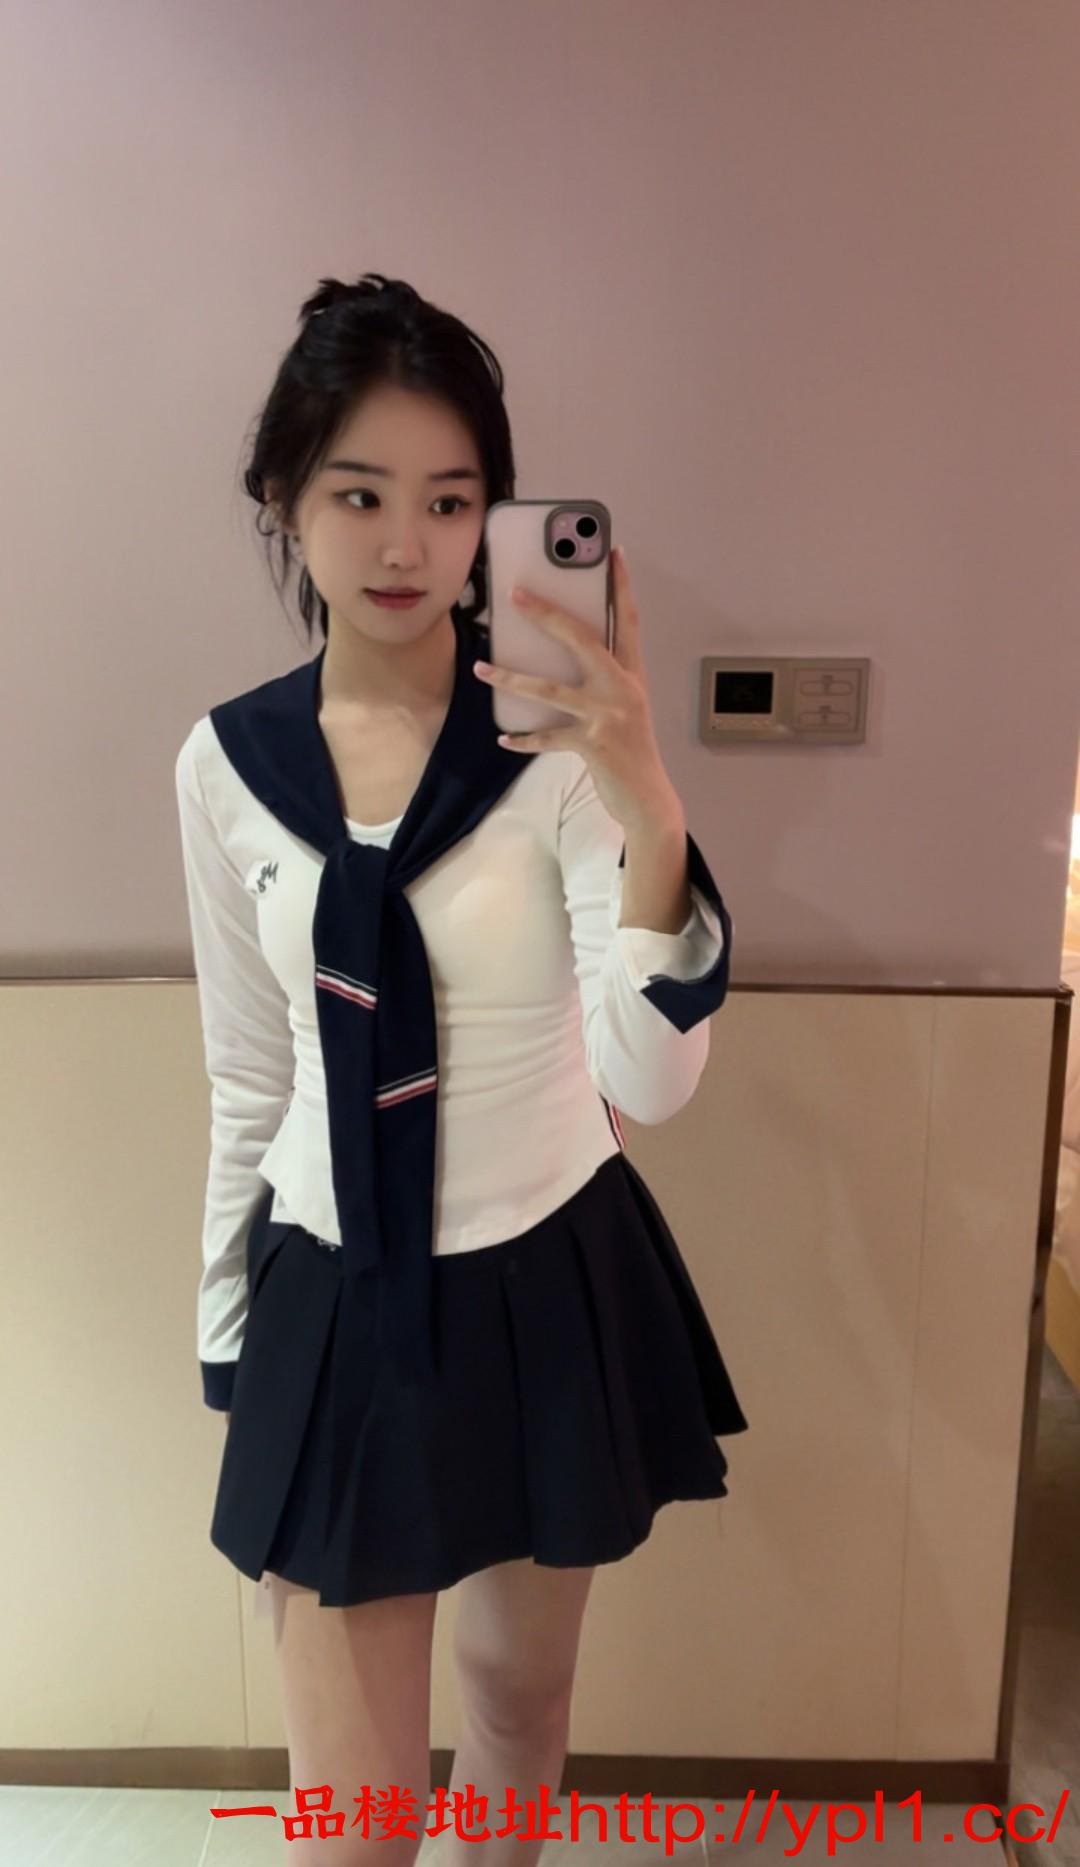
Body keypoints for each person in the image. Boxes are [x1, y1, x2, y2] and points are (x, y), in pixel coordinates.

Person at [174, 273, 748, 1867]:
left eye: (450, 499)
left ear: (493, 515)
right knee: (350, 1826)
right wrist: (224, 1327)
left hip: (543, 1271)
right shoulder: (226, 768)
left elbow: (651, 1080)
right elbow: (248, 1073)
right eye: (359, 493)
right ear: (284, 499)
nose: (405, 545)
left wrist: (647, 796)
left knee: (514, 1712)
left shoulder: (549, 751)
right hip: (333, 1289)